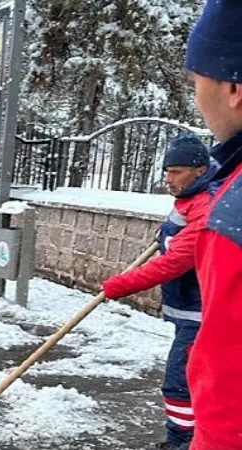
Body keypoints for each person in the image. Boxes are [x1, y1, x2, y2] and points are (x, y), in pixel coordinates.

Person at [102, 135, 216, 450]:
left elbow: (172, 264)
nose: (168, 179)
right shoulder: (189, 201)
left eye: (177, 171)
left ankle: (183, 442)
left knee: (179, 384)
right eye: (166, 171)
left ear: (200, 170)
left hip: (203, 313)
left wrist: (118, 286)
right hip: (192, 310)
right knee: (193, 382)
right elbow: (170, 239)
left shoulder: (205, 208)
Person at [181, 2, 242, 448]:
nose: (197, 98)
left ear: (234, 87)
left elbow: (228, 376)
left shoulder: (234, 212)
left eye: (196, 83)